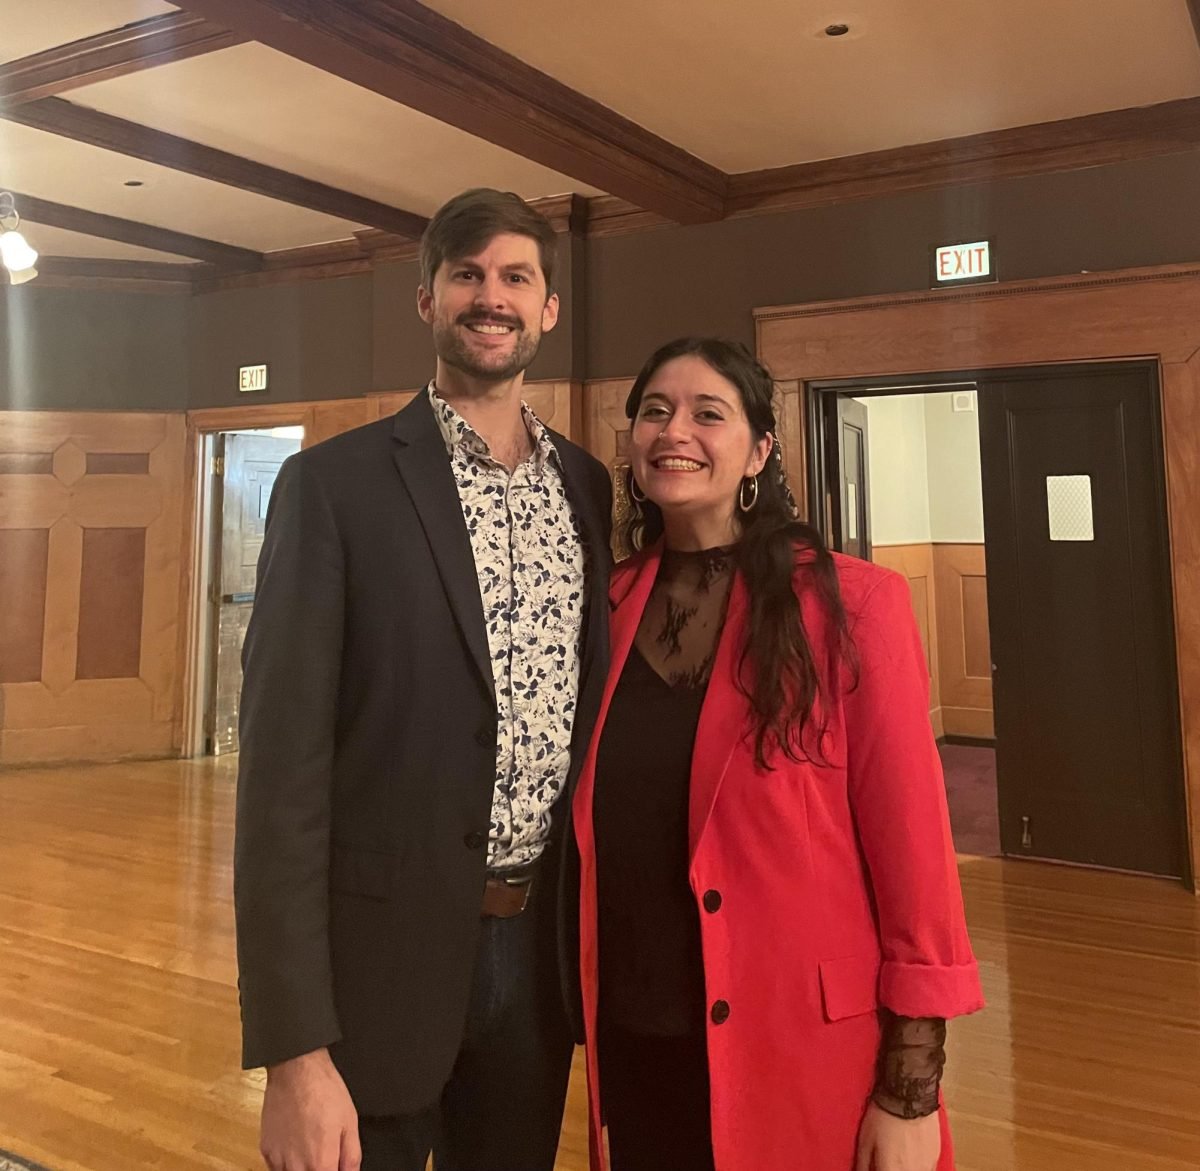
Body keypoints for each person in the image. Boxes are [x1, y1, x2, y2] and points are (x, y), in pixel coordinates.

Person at [235, 188, 612, 1171]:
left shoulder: (588, 487)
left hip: (539, 967)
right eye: (468, 275)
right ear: (428, 300)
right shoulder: (334, 487)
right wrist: (292, 1050)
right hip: (376, 972)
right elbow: (280, 783)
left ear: (549, 309)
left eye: (516, 277)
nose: (492, 297)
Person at [573, 337, 984, 1171]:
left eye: (707, 412)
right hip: (639, 1046)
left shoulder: (854, 605)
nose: (673, 429)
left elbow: (916, 859)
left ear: (759, 448)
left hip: (803, 1055)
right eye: (653, 410)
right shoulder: (605, 608)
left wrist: (910, 1088)